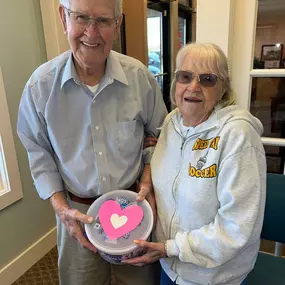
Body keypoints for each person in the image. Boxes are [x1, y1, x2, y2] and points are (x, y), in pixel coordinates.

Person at [17, 0, 167, 284]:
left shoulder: (140, 79)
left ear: (118, 24)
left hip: (134, 211)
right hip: (77, 216)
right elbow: (39, 154)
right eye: (82, 18)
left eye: (103, 21)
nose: (91, 32)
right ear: (64, 18)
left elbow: (159, 137)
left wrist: (147, 177)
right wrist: (62, 209)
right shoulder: (40, 87)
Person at [123, 43, 266, 285]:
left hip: (213, 277)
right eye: (185, 76)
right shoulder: (171, 122)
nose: (193, 86)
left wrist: (171, 247)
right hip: (169, 265)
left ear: (222, 88)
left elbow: (236, 228)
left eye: (207, 79)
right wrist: (147, 174)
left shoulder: (238, 136)